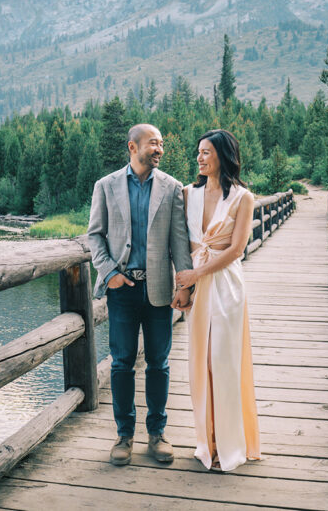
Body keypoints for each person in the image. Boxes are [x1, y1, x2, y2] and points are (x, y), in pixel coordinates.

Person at [88, 123, 193, 466]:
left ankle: (157, 434)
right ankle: (124, 436)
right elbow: (95, 236)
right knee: (121, 363)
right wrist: (110, 274)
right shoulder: (105, 186)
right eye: (153, 143)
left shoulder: (173, 187)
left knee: (159, 363)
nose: (159, 149)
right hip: (123, 290)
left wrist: (184, 285)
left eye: (161, 143)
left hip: (160, 289)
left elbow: (179, 241)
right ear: (133, 147)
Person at [172, 129, 261, 472]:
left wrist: (198, 274)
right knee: (200, 363)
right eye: (198, 152)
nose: (199, 158)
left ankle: (230, 444)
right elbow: (180, 242)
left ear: (223, 155)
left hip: (225, 285)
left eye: (206, 152)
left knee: (223, 363)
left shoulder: (243, 198)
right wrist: (184, 285)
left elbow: (237, 249)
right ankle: (206, 441)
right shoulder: (186, 193)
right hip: (196, 284)